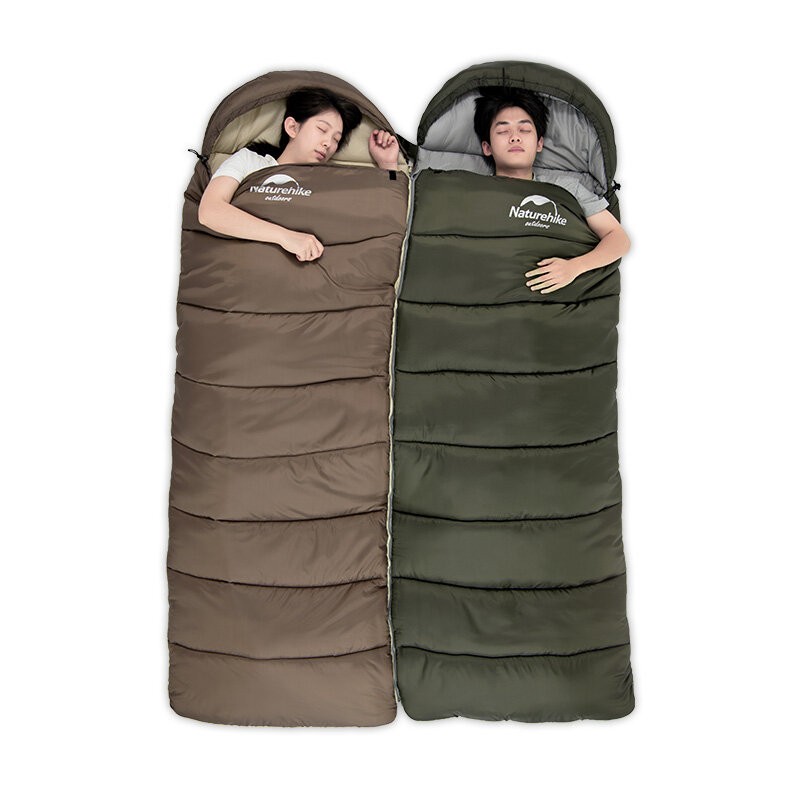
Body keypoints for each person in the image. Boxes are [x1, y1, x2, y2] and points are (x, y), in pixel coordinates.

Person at [198, 87, 400, 262]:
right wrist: (285, 237)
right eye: (322, 129)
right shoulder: (250, 161)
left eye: (336, 139)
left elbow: (383, 220)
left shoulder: (332, 182)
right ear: (292, 127)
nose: (328, 143)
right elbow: (210, 212)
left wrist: (388, 164)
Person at [473, 87, 631, 294]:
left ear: (539, 143)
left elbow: (619, 239)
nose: (514, 137)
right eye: (503, 131)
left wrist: (574, 267)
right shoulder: (473, 192)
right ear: (487, 147)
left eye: (524, 130)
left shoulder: (567, 188)